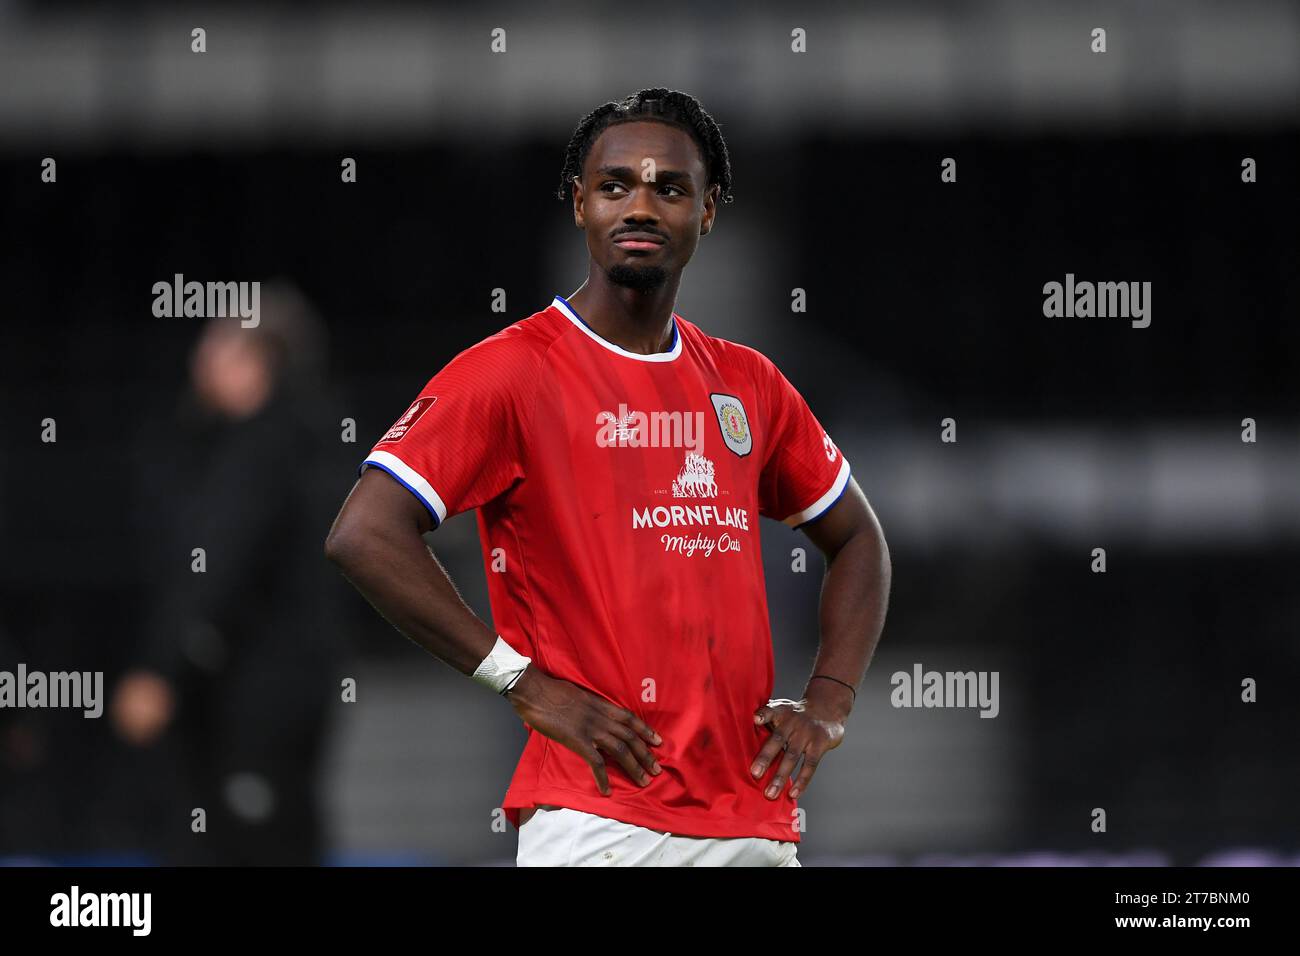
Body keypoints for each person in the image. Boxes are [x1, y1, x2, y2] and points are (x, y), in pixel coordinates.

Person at [325, 89, 891, 866]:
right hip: (600, 821)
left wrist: (830, 700)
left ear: (708, 211)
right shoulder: (512, 373)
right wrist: (526, 687)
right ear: (580, 205)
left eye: (670, 188)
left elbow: (859, 536)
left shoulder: (748, 384)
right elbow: (363, 534)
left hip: (753, 824)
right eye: (616, 185)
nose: (642, 207)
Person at [113, 282, 346, 865]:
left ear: (254, 360)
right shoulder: (314, 438)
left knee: (248, 837)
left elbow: (217, 563)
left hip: (257, 696)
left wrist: (160, 670)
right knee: (284, 826)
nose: (201, 359)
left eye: (217, 343)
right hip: (298, 684)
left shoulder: (264, 450)